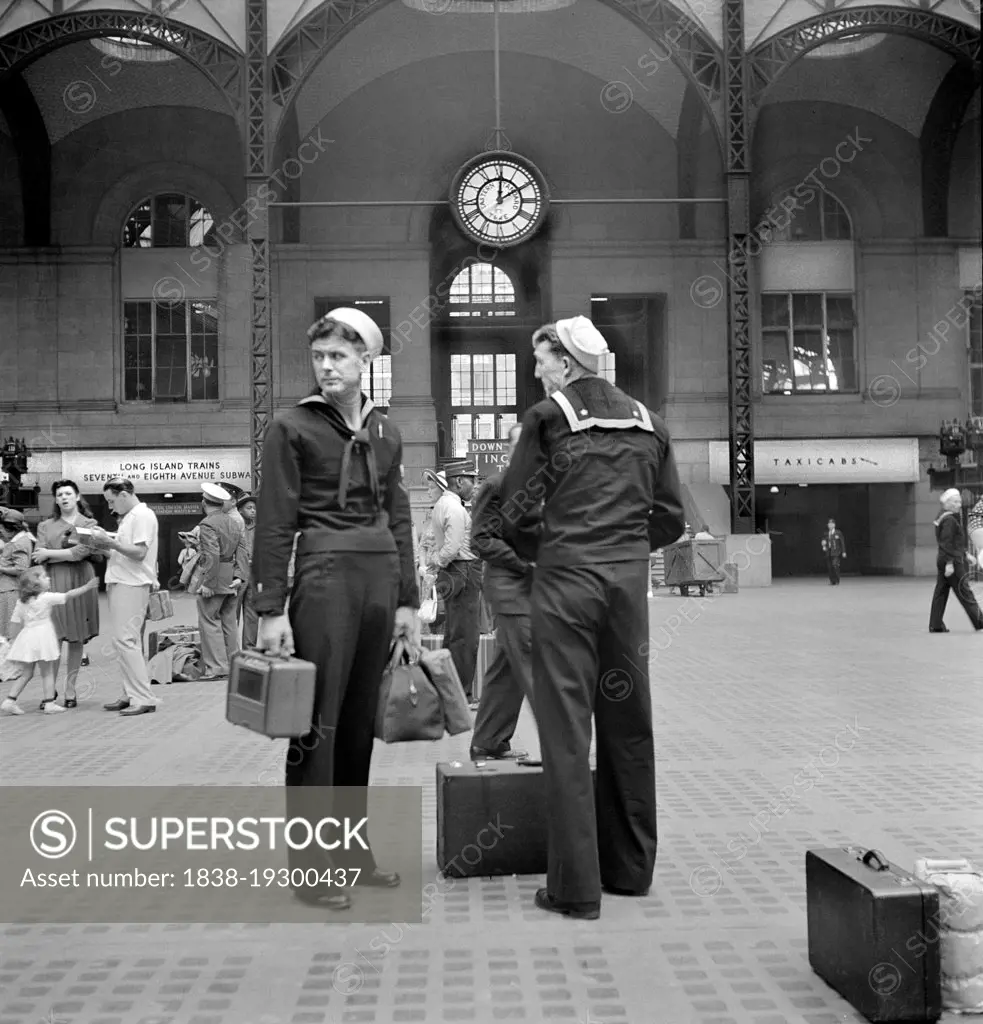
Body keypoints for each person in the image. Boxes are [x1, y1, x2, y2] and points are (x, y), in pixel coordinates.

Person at [500, 316, 685, 920]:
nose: (536, 372)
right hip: (627, 590)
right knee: (630, 723)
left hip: (565, 586)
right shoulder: (650, 422)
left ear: (568, 364)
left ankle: (575, 888)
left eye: (541, 360)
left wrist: (553, 554)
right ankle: (630, 871)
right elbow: (671, 519)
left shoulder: (546, 420)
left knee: (566, 730)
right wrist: (624, 551)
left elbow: (516, 516)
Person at [252, 306, 420, 911]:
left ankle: (351, 856)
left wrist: (409, 602)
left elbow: (398, 517)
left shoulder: (388, 431)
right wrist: (271, 608)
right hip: (323, 580)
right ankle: (312, 872)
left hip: (379, 582)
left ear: (366, 361)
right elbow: (273, 522)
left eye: (339, 357)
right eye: (319, 357)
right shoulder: (290, 428)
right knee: (315, 727)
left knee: (355, 729)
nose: (326, 367)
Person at [469, 423, 540, 761]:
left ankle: (488, 740)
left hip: (532, 589)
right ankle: (558, 746)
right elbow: (481, 540)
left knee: (508, 668)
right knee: (534, 664)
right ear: (509, 450)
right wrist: (525, 564)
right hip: (509, 590)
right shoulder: (495, 486)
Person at [90, 477, 161, 716]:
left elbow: (139, 553)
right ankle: (131, 693)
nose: (111, 507)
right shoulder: (131, 517)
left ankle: (143, 697)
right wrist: (101, 545)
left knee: (126, 641)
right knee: (125, 641)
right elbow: (123, 554)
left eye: (112, 501)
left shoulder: (142, 516)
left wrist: (108, 541)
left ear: (123, 495)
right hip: (123, 581)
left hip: (132, 583)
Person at [31, 480, 102, 707]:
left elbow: (84, 551)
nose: (64, 497)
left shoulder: (89, 523)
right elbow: (36, 556)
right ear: (56, 499)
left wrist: (49, 553)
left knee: (76, 636)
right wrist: (60, 554)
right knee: (54, 636)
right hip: (53, 581)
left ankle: (70, 691)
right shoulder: (45, 525)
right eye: (59, 494)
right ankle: (49, 691)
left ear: (77, 496)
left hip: (81, 579)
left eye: (68, 493)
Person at [0, 568, 99, 715]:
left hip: (27, 638)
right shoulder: (46, 597)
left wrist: (11, 639)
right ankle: (49, 703)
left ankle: (9, 700)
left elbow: (15, 622)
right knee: (47, 673)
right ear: (36, 585)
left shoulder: (21, 602)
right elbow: (68, 595)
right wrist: (86, 587)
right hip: (43, 639)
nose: (49, 579)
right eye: (44, 577)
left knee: (26, 674)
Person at [428, 461, 481, 705]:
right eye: (472, 479)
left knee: (453, 634)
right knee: (466, 636)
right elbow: (451, 548)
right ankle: (463, 695)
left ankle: (449, 691)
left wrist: (437, 563)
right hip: (463, 571)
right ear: (459, 481)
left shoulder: (441, 505)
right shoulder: (456, 509)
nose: (475, 484)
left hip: (452, 573)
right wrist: (437, 561)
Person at [192, 482, 244, 679]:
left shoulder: (207, 524)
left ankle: (217, 668)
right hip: (232, 577)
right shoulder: (234, 522)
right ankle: (234, 665)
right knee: (229, 622)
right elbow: (242, 550)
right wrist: (239, 576)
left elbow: (211, 555)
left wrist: (208, 583)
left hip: (215, 578)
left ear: (204, 503)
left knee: (209, 620)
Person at [929, 488, 983, 633]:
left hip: (944, 558)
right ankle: (980, 622)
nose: (959, 504)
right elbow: (947, 543)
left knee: (940, 592)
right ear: (947, 503)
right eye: (955, 501)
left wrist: (966, 554)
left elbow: (952, 542)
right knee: (965, 591)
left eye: (959, 501)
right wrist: (949, 564)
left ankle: (936, 624)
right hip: (951, 560)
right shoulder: (950, 520)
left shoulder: (942, 517)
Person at [0, 509, 36, 637]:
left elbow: (21, 568)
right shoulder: (21, 539)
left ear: (10, 528)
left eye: (2, 529)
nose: (1, 532)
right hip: (8, 590)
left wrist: (1, 568)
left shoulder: (19, 543)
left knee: (7, 631)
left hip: (9, 591)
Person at [235, 494, 258, 648]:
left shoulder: (260, 527)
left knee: (252, 614)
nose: (253, 511)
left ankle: (249, 649)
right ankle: (230, 650)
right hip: (238, 573)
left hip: (255, 573)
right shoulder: (235, 526)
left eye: (255, 508)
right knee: (232, 613)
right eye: (249, 508)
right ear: (240, 510)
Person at [820, 518, 847, 585]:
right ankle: (832, 581)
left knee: (835, 565)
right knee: (829, 567)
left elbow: (842, 542)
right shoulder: (826, 533)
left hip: (836, 552)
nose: (830, 525)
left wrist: (844, 551)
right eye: (829, 524)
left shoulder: (838, 532)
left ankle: (837, 580)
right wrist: (823, 546)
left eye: (832, 524)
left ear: (834, 525)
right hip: (828, 552)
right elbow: (823, 541)